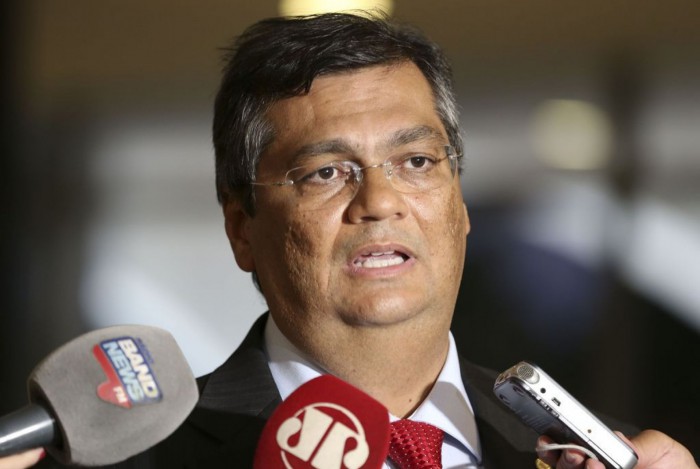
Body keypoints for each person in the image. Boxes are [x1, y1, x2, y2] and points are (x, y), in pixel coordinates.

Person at [3, 11, 696, 469]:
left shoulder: (597, 453)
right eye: (326, 172)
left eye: (416, 161)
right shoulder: (137, 460)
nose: (380, 202)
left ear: (459, 205)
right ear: (241, 228)